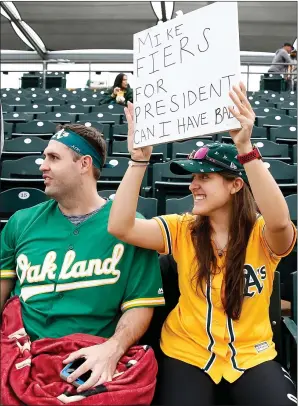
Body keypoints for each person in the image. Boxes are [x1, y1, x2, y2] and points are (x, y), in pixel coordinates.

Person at [108, 83, 297, 406]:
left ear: (236, 185)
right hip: (186, 351)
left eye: (205, 177)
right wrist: (138, 161)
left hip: (252, 354)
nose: (193, 185)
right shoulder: (182, 229)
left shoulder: (263, 233)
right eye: (193, 178)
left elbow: (281, 222)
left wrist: (246, 149)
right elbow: (121, 226)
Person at [0, 123, 165, 394]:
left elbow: (140, 305)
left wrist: (113, 348)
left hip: (89, 354)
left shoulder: (131, 227)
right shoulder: (21, 222)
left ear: (84, 163)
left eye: (54, 158)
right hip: (23, 352)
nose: (42, 165)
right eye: (44, 157)